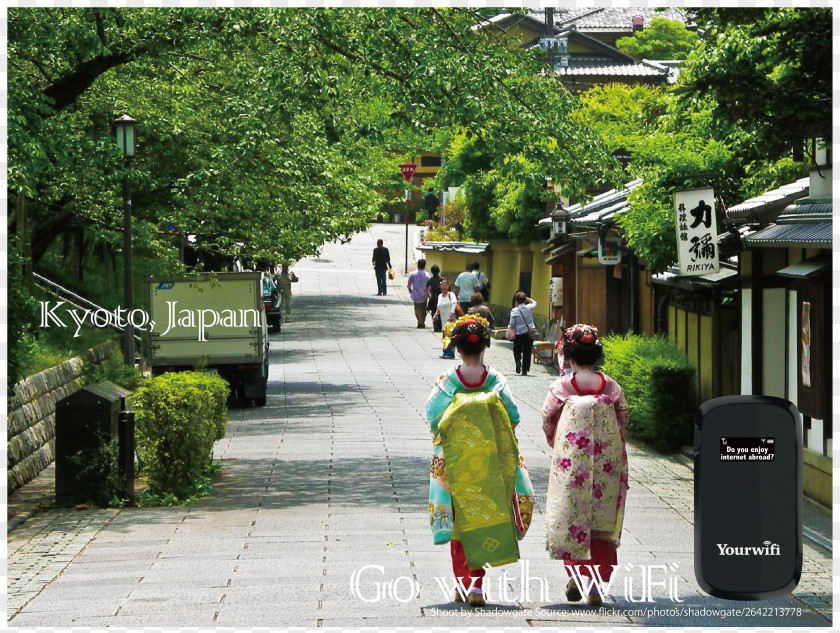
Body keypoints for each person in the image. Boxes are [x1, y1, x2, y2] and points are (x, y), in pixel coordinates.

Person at [426, 315, 534, 606]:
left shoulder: (447, 381)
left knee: (460, 521)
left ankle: (462, 584)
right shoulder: (495, 380)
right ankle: (476, 584)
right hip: (488, 461)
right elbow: (513, 416)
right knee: (481, 517)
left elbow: (432, 417)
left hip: (454, 460)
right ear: (485, 346)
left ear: (457, 348)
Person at [540, 324, 629, 607]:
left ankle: (578, 577)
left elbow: (547, 418)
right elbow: (622, 418)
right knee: (602, 519)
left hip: (573, 462)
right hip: (607, 462)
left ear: (568, 355)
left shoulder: (562, 386)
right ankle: (594, 583)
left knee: (572, 516)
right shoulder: (610, 386)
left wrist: (557, 442)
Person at [508, 292, 537, 376]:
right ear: (525, 300)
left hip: (518, 334)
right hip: (529, 333)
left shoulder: (514, 310)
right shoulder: (529, 307)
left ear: (516, 301)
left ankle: (518, 361)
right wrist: (528, 299)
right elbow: (535, 302)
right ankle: (525, 370)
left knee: (516, 349)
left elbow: (512, 324)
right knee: (527, 351)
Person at [432, 279, 459, 359]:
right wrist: (436, 315)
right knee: (445, 335)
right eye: (442, 285)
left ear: (448, 286)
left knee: (450, 336)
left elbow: (454, 303)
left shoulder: (451, 294)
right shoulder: (440, 296)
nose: (443, 287)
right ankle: (445, 352)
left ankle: (450, 353)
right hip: (443, 318)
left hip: (451, 318)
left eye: (445, 285)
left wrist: (451, 314)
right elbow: (439, 307)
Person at [408, 259, 431, 328]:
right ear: (424, 266)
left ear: (417, 265)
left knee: (417, 309)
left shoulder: (412, 274)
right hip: (424, 294)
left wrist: (410, 290)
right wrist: (429, 293)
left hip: (415, 294)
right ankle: (422, 321)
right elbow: (429, 285)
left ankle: (420, 321)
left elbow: (409, 284)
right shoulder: (427, 274)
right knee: (423, 309)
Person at [426, 265, 443, 332]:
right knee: (440, 313)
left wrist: (429, 295)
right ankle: (440, 326)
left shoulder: (430, 280)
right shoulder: (441, 279)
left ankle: (435, 326)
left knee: (433, 312)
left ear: (431, 272)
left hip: (433, 299)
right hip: (441, 298)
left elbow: (425, 289)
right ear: (438, 271)